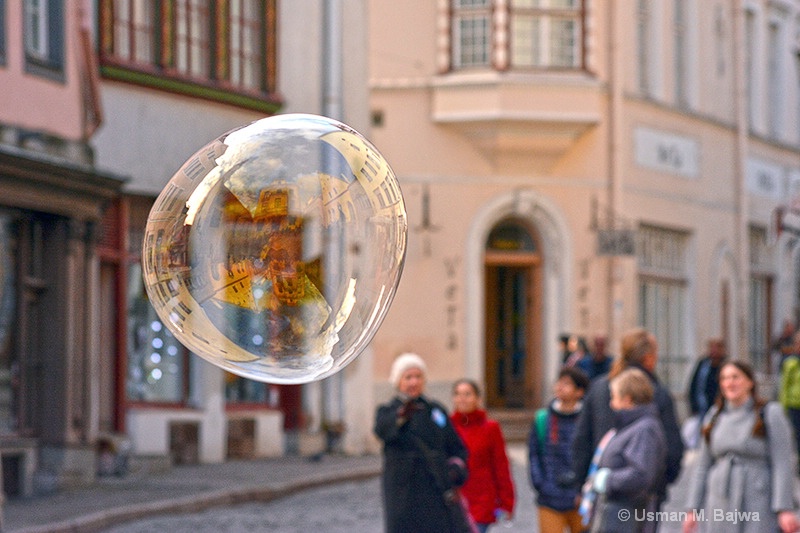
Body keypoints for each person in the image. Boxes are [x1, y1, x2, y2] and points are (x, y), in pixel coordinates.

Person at [570, 327, 683, 514]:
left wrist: (582, 484)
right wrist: (661, 481)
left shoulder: (599, 387)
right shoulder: (656, 393)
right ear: (648, 357)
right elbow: (672, 448)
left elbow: (581, 441)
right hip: (638, 493)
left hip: (605, 488)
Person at [683, 360, 800, 533]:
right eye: (724, 378)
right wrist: (692, 509)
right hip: (721, 499)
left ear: (750, 382)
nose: (729, 383)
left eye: (735, 377)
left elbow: (783, 462)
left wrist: (784, 508)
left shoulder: (769, 413)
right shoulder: (714, 416)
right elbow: (703, 466)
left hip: (759, 499)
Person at [374, 353, 470, 533]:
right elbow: (382, 430)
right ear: (398, 381)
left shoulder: (435, 410)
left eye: (418, 376)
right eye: (408, 377)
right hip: (403, 495)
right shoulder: (388, 411)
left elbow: (456, 447)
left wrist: (455, 468)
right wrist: (401, 417)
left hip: (434, 491)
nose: (413, 382)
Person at [579, 368, 667, 533]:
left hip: (627, 516)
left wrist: (608, 480)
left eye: (614, 397)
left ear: (627, 400)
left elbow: (641, 475)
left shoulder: (645, 429)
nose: (611, 404)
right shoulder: (629, 427)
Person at [528, 367, 590, 533]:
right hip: (549, 497)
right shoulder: (543, 419)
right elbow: (534, 455)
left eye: (567, 384)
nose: (560, 387)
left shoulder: (588, 420)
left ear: (579, 392)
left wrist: (585, 489)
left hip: (581, 499)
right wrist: (540, 483)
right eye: (559, 382)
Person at [451, 379, 515, 532]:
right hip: (455, 499)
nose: (462, 399)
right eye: (458, 394)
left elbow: (500, 465)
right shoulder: (447, 426)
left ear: (478, 398)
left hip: (482, 500)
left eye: (467, 394)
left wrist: (507, 501)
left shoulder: (490, 428)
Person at [687, 338, 727, 419]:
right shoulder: (703, 364)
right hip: (702, 408)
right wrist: (694, 407)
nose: (714, 351)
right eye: (712, 347)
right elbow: (694, 385)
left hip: (720, 410)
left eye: (717, 347)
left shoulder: (726, 366)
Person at [779, 331, 800, 465]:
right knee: (798, 435)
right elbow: (784, 386)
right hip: (795, 404)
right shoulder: (791, 362)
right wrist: (783, 408)